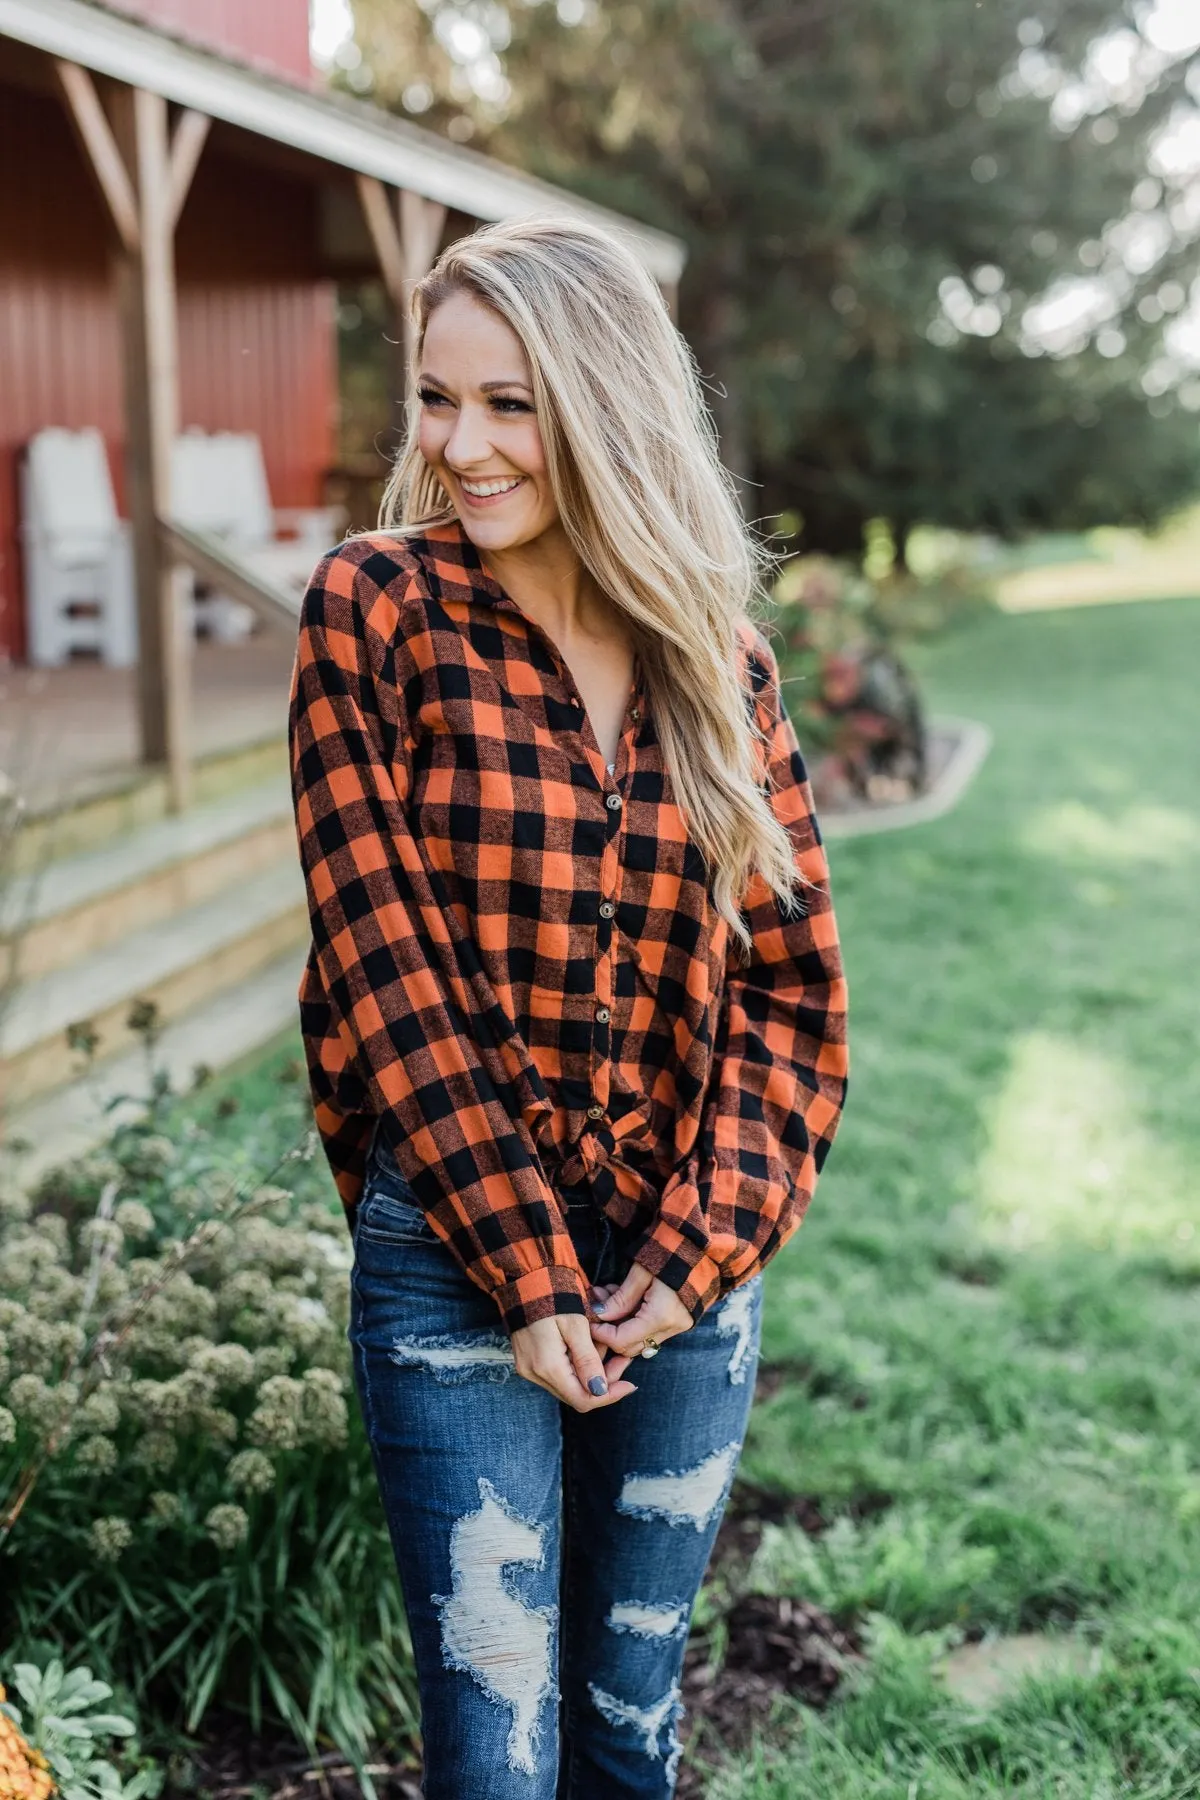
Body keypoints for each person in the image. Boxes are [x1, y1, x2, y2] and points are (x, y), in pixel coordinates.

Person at [287, 214, 849, 1800]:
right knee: (496, 1750)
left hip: (683, 1271)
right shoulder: (375, 615)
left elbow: (792, 996)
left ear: (605, 406)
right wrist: (530, 1271)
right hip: (457, 1259)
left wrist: (684, 1265)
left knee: (627, 1726)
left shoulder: (718, 662)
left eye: (510, 403)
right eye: (437, 398)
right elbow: (384, 968)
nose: (460, 446)